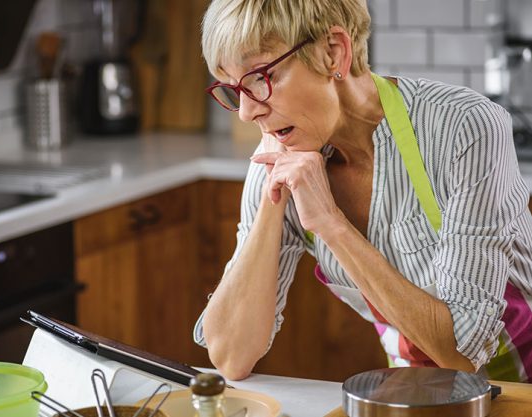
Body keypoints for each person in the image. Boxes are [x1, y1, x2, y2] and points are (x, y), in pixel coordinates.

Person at [192, 0, 532, 383]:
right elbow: (231, 356)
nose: (246, 113)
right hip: (420, 390)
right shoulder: (281, 158)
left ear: (333, 52)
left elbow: (461, 349)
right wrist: (272, 205)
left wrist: (332, 225)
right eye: (235, 89)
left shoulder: (463, 129)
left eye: (260, 77)